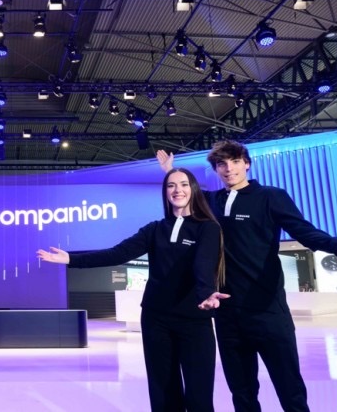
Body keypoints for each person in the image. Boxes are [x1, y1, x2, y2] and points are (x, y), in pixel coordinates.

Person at [157, 141, 337, 412]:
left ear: (247, 164)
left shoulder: (270, 196)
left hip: (268, 310)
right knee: (242, 394)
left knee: (290, 390)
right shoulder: (212, 201)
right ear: (216, 169)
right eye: (221, 164)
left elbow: (304, 231)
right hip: (227, 314)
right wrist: (170, 171)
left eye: (235, 161)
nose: (229, 169)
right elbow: (184, 191)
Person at [37, 168, 229, 412]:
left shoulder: (207, 228)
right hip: (156, 318)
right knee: (163, 391)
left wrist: (206, 292)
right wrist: (71, 259)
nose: (177, 190)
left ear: (193, 189)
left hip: (194, 317)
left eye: (183, 184)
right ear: (165, 192)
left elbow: (204, 263)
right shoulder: (154, 229)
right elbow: (117, 253)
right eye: (171, 185)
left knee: (199, 393)